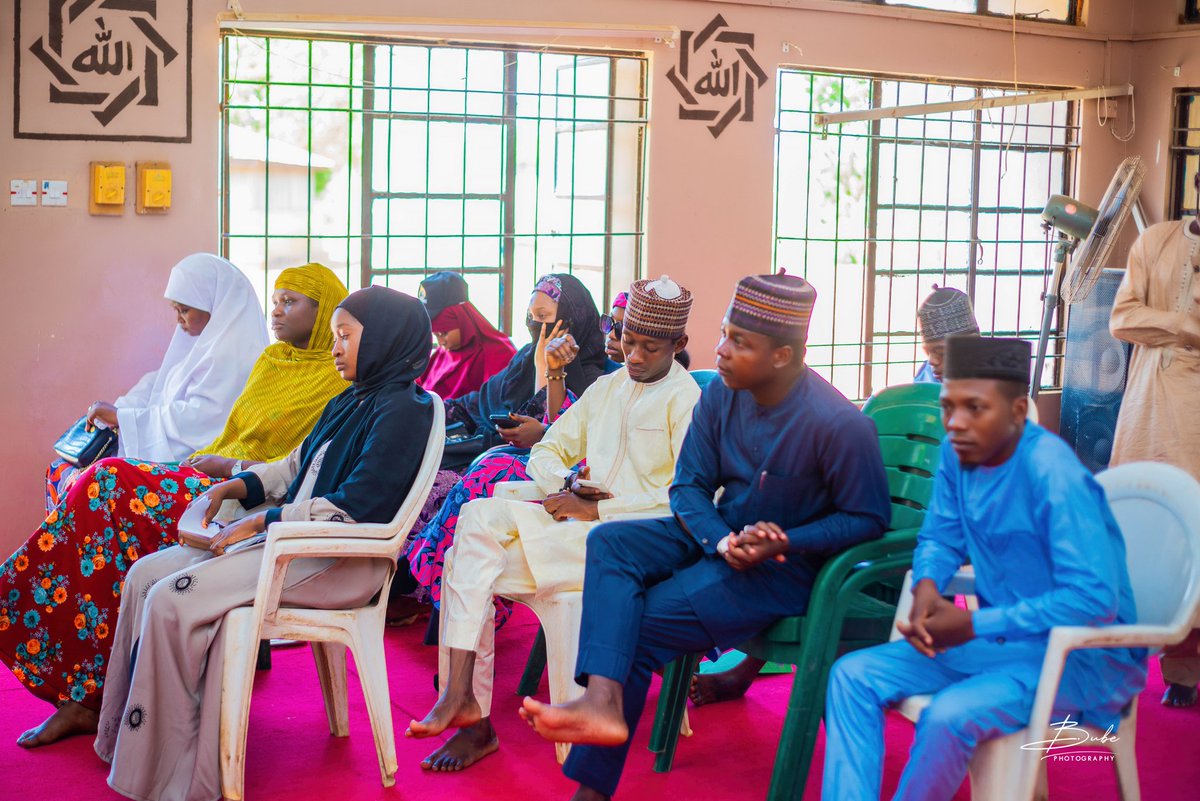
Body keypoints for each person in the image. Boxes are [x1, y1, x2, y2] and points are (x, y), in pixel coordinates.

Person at [518, 274, 892, 801]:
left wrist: (784, 540)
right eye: (723, 333)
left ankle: (590, 792)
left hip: (784, 569)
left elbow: (867, 519)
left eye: (740, 342)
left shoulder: (837, 423)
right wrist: (719, 540)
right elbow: (689, 487)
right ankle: (601, 703)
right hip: (719, 539)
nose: (720, 351)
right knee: (611, 543)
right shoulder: (722, 398)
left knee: (641, 620)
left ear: (783, 356)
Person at [95, 286, 436, 801]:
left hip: (338, 558)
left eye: (346, 336)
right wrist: (240, 486)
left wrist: (261, 522)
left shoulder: (404, 410)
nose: (335, 347)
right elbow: (295, 464)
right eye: (336, 335)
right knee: (144, 575)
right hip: (297, 543)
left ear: (385, 340)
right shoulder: (351, 398)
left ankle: (180, 773)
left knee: (174, 597)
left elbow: (360, 504)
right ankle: (131, 742)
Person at [0, 263, 349, 749]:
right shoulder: (272, 361)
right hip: (203, 477)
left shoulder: (337, 384)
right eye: (276, 298)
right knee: (98, 509)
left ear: (325, 311)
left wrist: (229, 466)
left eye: (292, 301)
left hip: (242, 499)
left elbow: (299, 468)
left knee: (105, 482)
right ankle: (84, 692)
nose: (276, 309)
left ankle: (24, 597)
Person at [820, 335, 1147, 801]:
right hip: (1002, 643)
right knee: (852, 676)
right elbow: (941, 534)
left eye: (975, 408)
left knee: (950, 713)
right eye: (948, 407)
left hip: (1082, 658)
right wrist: (928, 589)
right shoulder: (960, 452)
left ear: (1017, 412)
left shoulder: (1052, 473)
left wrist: (974, 622)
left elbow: (1092, 599)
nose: (955, 423)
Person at [406, 276, 700, 773]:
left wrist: (599, 508)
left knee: (465, 561)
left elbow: (682, 498)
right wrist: (566, 483)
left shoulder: (687, 400)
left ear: (679, 345)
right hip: (572, 530)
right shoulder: (607, 388)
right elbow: (547, 448)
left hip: (627, 544)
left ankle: (467, 708)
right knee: (474, 521)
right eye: (628, 342)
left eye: (650, 348)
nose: (634, 356)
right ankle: (462, 697)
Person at [688, 284, 981, 707]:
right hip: (900, 514)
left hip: (946, 523)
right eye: (929, 348)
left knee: (803, 553)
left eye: (944, 350)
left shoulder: (994, 389)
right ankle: (745, 671)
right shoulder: (927, 379)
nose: (934, 359)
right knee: (787, 541)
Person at [46, 254, 268, 510]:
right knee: (61, 468)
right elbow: (160, 383)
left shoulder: (235, 355)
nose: (178, 319)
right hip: (168, 447)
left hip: (197, 463)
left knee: (89, 481)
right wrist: (123, 407)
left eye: (184, 310)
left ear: (215, 306)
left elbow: (203, 422)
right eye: (176, 309)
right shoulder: (203, 342)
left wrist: (126, 418)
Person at [1110, 169, 1200, 707]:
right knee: (1157, 531)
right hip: (1150, 408)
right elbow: (1123, 318)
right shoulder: (1156, 240)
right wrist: (1184, 326)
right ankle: (1179, 673)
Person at [418, 271, 517, 400]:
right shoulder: (442, 353)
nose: (441, 342)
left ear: (462, 319)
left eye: (443, 333)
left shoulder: (498, 354)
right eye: (435, 334)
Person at [914, 286, 980, 383]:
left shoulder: (1001, 381)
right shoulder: (926, 377)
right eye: (928, 352)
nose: (932, 361)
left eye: (942, 353)